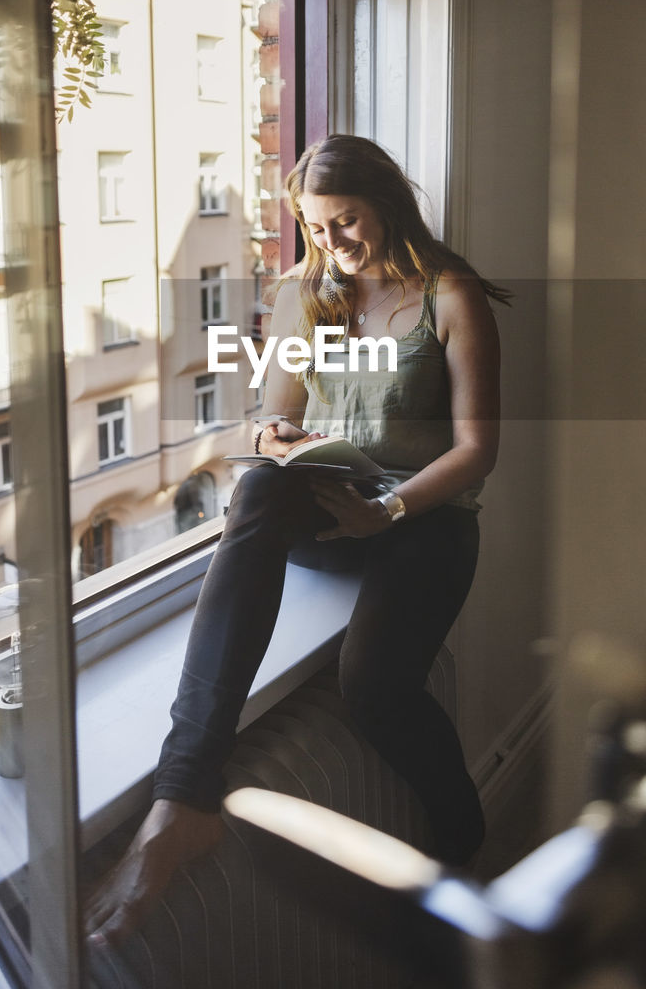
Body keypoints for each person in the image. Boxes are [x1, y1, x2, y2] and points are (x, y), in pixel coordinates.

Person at [87, 135, 507, 946]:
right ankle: (183, 799)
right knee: (258, 487)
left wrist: (385, 514)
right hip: (333, 499)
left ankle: (462, 841)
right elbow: (268, 419)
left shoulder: (447, 295)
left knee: (374, 690)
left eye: (346, 222)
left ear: (387, 203)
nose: (332, 243)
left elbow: (476, 451)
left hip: (422, 519)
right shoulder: (302, 294)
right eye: (315, 228)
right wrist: (278, 435)